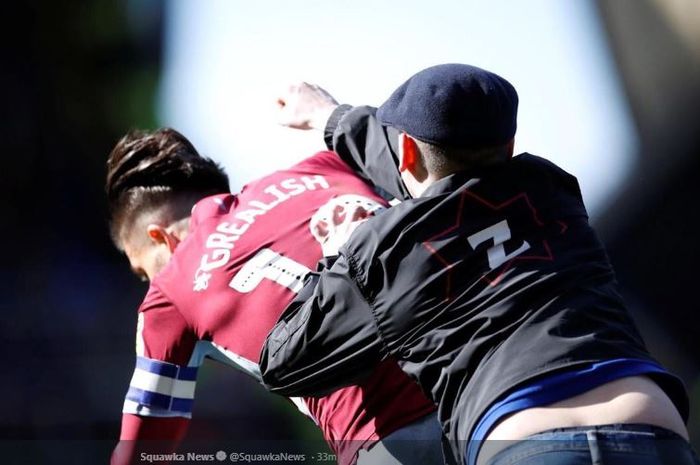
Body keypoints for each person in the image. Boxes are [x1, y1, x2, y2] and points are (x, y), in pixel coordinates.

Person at [260, 64, 699, 465]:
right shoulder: (553, 192)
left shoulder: (382, 251)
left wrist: (338, 252)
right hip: (653, 425)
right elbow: (438, 170)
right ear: (508, 143)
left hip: (523, 442)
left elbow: (284, 364)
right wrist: (331, 118)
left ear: (406, 150)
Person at [105, 128, 443, 465]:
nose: (150, 283)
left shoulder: (170, 289)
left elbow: (140, 452)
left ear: (161, 238)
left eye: (143, 272)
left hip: (391, 440)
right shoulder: (323, 167)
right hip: (478, 389)